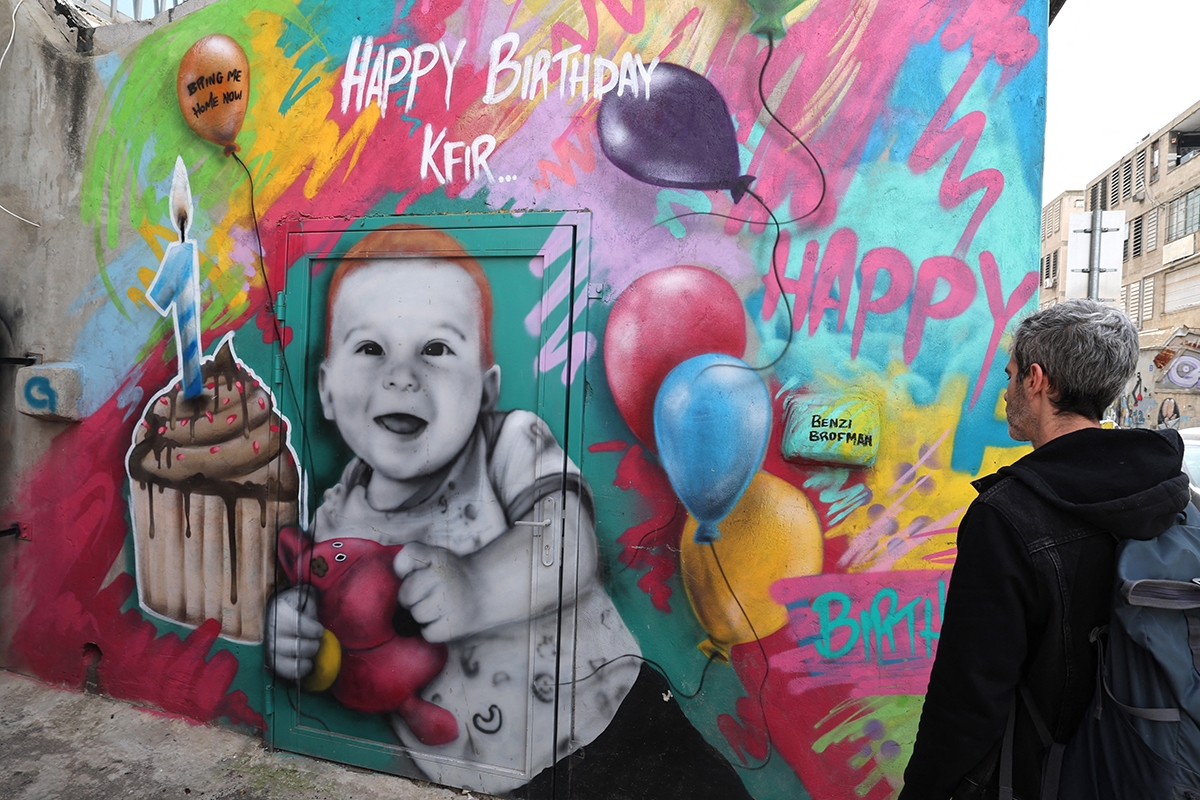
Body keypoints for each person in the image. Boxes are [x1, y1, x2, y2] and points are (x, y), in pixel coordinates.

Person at [266, 225, 751, 799]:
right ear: (325, 388)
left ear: (486, 387)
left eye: (437, 349)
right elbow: (324, 617)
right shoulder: (334, 519)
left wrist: (473, 586)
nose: (402, 374)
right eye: (370, 349)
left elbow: (569, 545)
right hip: (483, 781)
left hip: (614, 724)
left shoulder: (508, 444)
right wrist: (294, 634)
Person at [899, 299, 1190, 799]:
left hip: (1038, 775)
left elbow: (968, 695)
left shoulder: (1007, 516)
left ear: (1037, 380)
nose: (1004, 390)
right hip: (1143, 766)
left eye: (1010, 375)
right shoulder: (1168, 492)